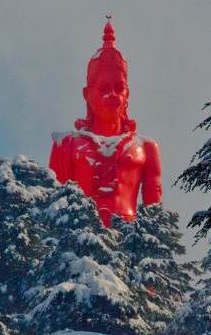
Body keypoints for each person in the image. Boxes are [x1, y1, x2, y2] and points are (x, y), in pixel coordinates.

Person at [49, 19, 162, 226]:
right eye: (103, 88)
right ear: (87, 95)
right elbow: (54, 205)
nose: (112, 95)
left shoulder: (145, 147)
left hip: (130, 237)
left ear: (127, 95)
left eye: (119, 88)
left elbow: (154, 213)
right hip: (80, 238)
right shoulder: (66, 144)